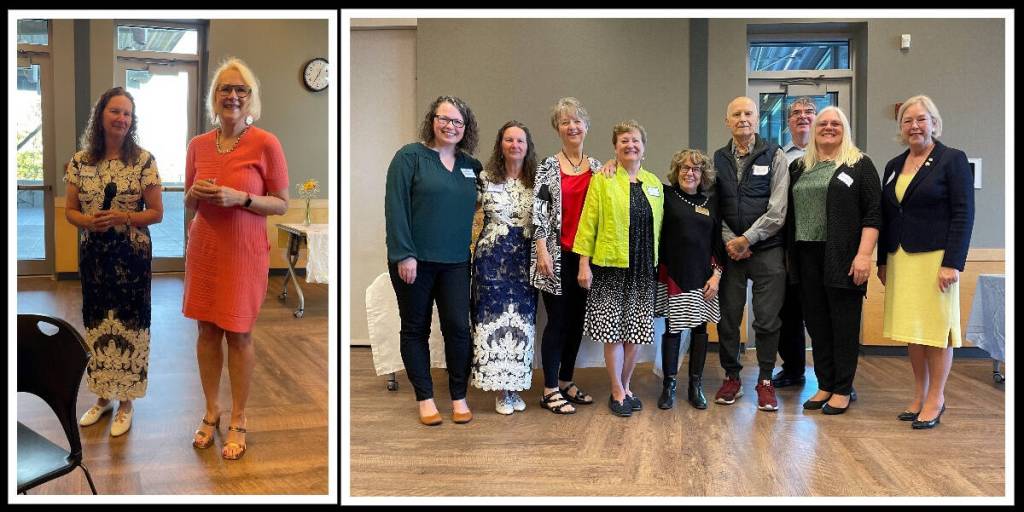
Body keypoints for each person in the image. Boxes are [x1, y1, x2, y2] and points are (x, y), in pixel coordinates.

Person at [184, 58, 290, 459]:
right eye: (225, 89)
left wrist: (241, 198)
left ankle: (239, 417)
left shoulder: (266, 143)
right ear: (215, 96)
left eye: (240, 89)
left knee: (239, 333)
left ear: (250, 97)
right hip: (205, 248)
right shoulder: (198, 144)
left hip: (244, 252)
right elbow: (189, 201)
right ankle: (212, 410)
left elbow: (281, 203)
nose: (232, 96)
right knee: (206, 332)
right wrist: (195, 194)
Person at [68, 87, 163, 438]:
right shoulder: (80, 162)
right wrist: (88, 222)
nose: (122, 118)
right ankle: (103, 396)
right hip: (94, 257)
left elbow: (157, 213)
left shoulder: (143, 161)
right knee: (97, 324)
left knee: (129, 326)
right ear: (101, 115)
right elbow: (71, 211)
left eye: (127, 113)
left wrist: (124, 216)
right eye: (115, 111)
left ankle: (126, 402)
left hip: (131, 259)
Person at [878, 95, 974, 429]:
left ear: (934, 123)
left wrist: (953, 263)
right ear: (901, 127)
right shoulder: (894, 165)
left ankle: (936, 397)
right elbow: (887, 215)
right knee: (913, 330)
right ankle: (919, 394)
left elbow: (963, 214)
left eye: (921, 119)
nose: (915, 126)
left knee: (936, 330)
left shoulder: (952, 159)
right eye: (908, 120)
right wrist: (882, 260)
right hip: (901, 258)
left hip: (936, 260)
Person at [385, 95, 481, 426]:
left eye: (457, 121)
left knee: (458, 328)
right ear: (432, 120)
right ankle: (425, 398)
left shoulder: (472, 167)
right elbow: (396, 208)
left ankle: (458, 396)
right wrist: (404, 254)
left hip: (456, 262)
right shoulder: (409, 157)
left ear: (465, 128)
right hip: (414, 262)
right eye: (444, 118)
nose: (450, 126)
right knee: (416, 328)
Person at [786, 106, 881, 415]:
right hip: (806, 256)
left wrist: (864, 255)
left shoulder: (859, 164)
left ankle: (842, 388)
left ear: (845, 129)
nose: (828, 127)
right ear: (814, 130)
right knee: (817, 324)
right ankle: (825, 383)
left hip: (843, 256)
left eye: (835, 123)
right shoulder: (800, 167)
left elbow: (873, 213)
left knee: (844, 324)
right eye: (823, 123)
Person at [574, 120, 664, 418]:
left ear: (644, 147)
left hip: (642, 269)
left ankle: (626, 385)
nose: (630, 145)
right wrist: (583, 263)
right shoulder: (603, 179)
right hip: (611, 265)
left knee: (634, 333)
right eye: (624, 140)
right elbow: (588, 222)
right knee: (613, 332)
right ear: (615, 147)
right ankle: (616, 389)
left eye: (635, 140)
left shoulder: (654, 183)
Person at [712, 96, 789, 412]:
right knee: (728, 318)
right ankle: (732, 377)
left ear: (757, 119)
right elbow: (713, 207)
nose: (743, 118)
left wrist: (748, 239)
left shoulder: (775, 155)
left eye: (748, 113)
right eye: (736, 114)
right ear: (727, 121)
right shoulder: (717, 159)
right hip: (731, 254)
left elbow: (778, 209)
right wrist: (733, 241)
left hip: (768, 250)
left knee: (768, 320)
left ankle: (766, 380)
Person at [531, 97, 604, 415]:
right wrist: (542, 251)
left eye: (577, 121)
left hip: (586, 258)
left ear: (586, 126)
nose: (572, 126)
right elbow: (538, 211)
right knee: (558, 321)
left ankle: (565, 381)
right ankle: (549, 390)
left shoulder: (599, 168)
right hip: (555, 256)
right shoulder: (548, 167)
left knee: (577, 322)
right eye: (565, 122)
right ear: (557, 129)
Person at [469, 121, 538, 415]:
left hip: (524, 261)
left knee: (521, 322)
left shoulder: (537, 181)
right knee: (494, 320)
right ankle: (501, 392)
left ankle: (515, 386)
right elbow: (465, 210)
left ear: (527, 146)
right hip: (491, 262)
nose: (514, 145)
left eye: (520, 140)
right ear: (500, 144)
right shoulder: (485, 179)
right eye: (509, 140)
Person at [655, 149, 723, 410]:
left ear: (703, 173)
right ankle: (669, 385)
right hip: (674, 274)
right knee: (673, 328)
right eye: (684, 167)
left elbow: (718, 243)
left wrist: (717, 276)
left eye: (695, 168)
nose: (689, 173)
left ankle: (696, 385)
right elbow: (635, 178)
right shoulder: (666, 195)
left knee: (699, 330)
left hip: (703, 278)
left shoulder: (711, 202)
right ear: (676, 171)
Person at [773, 97, 816, 389]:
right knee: (787, 312)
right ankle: (792, 369)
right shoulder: (779, 157)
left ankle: (834, 378)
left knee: (821, 313)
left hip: (820, 246)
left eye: (809, 112)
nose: (802, 117)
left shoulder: (835, 154)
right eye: (796, 113)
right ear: (788, 122)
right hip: (786, 245)